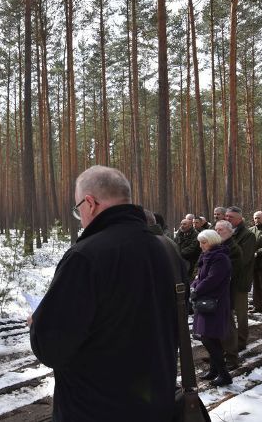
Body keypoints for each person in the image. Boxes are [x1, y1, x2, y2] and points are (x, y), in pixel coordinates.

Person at [29, 165, 177, 421]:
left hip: (96, 407)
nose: (81, 218)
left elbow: (51, 347)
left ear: (90, 202)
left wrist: (37, 323)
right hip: (156, 401)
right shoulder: (165, 249)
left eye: (78, 211)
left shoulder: (85, 256)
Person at [191, 229, 232, 386]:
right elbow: (199, 276)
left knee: (209, 337)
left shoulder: (220, 258)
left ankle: (224, 375)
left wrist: (196, 290)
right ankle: (215, 370)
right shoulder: (207, 256)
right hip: (206, 302)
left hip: (215, 303)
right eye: (200, 242)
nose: (201, 245)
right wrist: (193, 286)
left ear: (213, 241)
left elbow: (212, 280)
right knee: (208, 337)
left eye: (204, 242)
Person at [225, 206, 256, 351]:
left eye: (230, 217)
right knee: (228, 313)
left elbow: (244, 259)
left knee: (241, 313)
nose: (227, 219)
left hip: (239, 279)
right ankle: (229, 341)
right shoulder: (226, 232)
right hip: (226, 280)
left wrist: (223, 265)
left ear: (239, 218)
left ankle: (241, 341)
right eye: (226, 216)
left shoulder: (247, 235)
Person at [215, 220, 243, 368]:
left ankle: (232, 356)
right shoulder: (216, 246)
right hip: (216, 292)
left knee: (228, 325)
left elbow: (228, 272)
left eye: (221, 230)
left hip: (227, 291)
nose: (218, 232)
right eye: (216, 229)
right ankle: (218, 353)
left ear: (230, 231)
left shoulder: (233, 248)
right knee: (216, 324)